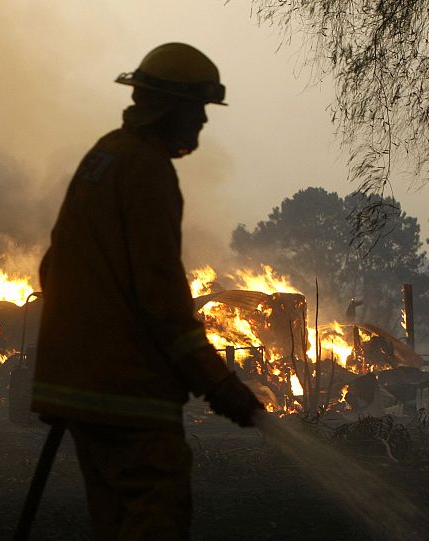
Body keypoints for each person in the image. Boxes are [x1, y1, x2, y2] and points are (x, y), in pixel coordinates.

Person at [31, 43, 264, 539]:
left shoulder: (104, 155)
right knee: (155, 513)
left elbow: (54, 266)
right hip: (129, 392)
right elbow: (161, 296)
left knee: (114, 522)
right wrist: (218, 385)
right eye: (198, 107)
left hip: (83, 384)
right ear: (171, 106)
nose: (203, 120)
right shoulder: (148, 170)